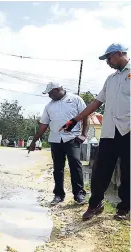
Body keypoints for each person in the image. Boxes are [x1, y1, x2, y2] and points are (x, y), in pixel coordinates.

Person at [60, 43, 130, 221]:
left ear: (119, 54)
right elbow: (96, 102)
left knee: (128, 172)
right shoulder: (111, 79)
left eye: (108, 58)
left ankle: (124, 208)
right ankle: (95, 204)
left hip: (128, 130)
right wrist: (74, 120)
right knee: (99, 170)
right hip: (109, 132)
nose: (107, 62)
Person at [30, 82, 89, 205]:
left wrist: (83, 134)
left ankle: (79, 194)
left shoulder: (75, 99)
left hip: (72, 138)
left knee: (75, 165)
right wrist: (34, 141)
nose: (49, 96)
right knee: (58, 169)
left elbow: (85, 116)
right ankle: (58, 195)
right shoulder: (49, 107)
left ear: (57, 90)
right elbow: (43, 125)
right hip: (56, 140)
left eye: (50, 93)